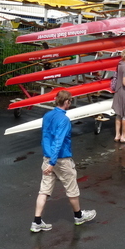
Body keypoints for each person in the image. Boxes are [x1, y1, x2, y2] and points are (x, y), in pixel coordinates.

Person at [31, 90, 96, 232]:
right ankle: (79, 216)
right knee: (72, 188)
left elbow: (46, 137)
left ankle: (36, 222)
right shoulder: (64, 120)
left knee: (44, 190)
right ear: (67, 102)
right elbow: (58, 142)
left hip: (47, 157)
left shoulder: (47, 116)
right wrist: (53, 162)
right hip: (60, 160)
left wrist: (48, 161)